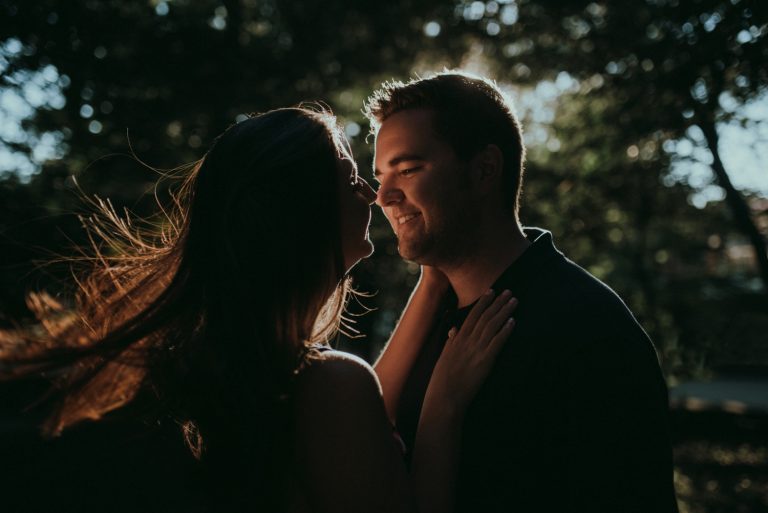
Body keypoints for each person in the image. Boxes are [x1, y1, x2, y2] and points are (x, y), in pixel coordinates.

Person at [0, 106, 518, 513]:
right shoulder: (327, 383)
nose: (374, 194)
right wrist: (444, 407)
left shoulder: (236, 366)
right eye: (349, 175)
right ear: (302, 207)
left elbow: (353, 434)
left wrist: (432, 277)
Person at [364, 71, 679, 512]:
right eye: (380, 175)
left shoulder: (587, 327)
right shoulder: (428, 316)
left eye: (409, 169)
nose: (383, 196)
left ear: (484, 170)